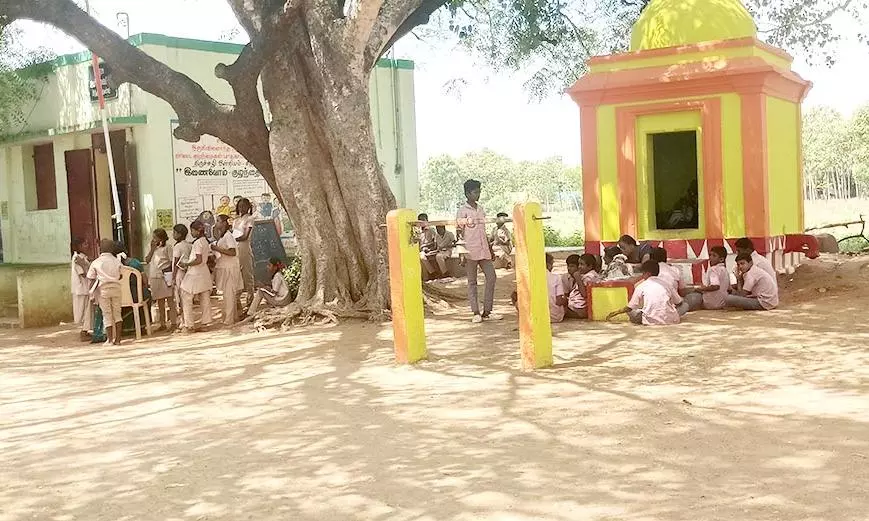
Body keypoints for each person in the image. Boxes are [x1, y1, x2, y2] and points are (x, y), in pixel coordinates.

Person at [456, 179, 500, 323]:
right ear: (467, 193)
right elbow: (459, 233)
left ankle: (487, 311)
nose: (478, 194)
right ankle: (475, 312)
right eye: (475, 192)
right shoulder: (462, 211)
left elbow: (483, 230)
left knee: (491, 277)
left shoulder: (480, 209)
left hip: (483, 249)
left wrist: (490, 248)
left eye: (479, 191)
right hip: (470, 250)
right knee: (472, 282)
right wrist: (461, 253)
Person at [606, 260, 683, 326]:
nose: (642, 276)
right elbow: (679, 302)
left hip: (651, 321)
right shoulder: (666, 284)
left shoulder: (641, 286)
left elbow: (630, 307)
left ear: (648, 273)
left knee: (632, 313)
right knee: (684, 305)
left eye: (643, 273)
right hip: (672, 319)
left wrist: (616, 312)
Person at [178, 220, 213, 332]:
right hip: (203, 272)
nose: (191, 233)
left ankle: (189, 324)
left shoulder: (198, 243)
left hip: (195, 272)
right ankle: (206, 323)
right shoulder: (205, 241)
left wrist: (186, 264)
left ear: (197, 231)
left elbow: (198, 260)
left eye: (192, 230)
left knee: (186, 295)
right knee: (205, 297)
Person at [87, 239, 123, 345]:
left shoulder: (96, 262)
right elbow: (121, 275)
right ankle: (118, 340)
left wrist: (91, 292)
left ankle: (110, 339)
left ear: (100, 249)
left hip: (103, 290)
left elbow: (91, 278)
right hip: (116, 289)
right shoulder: (117, 261)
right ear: (112, 249)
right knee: (117, 313)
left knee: (107, 314)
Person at [211, 215, 243, 325]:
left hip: (230, 268)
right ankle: (232, 317)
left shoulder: (228, 236)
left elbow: (232, 252)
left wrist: (217, 249)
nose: (216, 224)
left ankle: (229, 319)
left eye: (218, 221)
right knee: (227, 294)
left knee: (229, 294)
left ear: (224, 223)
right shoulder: (222, 236)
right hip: (224, 267)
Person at [146, 228, 176, 331]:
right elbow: (147, 260)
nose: (154, 240)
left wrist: (171, 275)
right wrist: (152, 249)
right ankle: (162, 323)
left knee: (170, 300)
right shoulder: (152, 248)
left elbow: (171, 261)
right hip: (154, 276)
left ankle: (173, 322)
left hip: (165, 275)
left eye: (156, 238)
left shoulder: (168, 247)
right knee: (160, 301)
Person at [685, 246, 729, 311]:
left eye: (714, 256)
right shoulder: (725, 270)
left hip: (711, 304)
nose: (710, 257)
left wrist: (701, 289)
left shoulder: (713, 269)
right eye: (710, 255)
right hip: (722, 303)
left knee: (692, 295)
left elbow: (715, 286)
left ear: (721, 259)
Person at [650, 247, 689, 315]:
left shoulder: (648, 273)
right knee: (686, 305)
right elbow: (682, 292)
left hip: (652, 310)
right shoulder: (674, 270)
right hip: (670, 310)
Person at [233, 197, 256, 306]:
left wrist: (233, 239)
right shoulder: (236, 221)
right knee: (237, 275)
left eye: (244, 206)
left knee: (247, 274)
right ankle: (237, 301)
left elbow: (245, 236)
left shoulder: (249, 219)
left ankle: (250, 300)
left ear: (248, 207)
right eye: (240, 206)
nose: (241, 208)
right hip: (235, 249)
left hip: (244, 248)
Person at [70, 237, 92, 341]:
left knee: (86, 310)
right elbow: (84, 274)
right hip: (81, 289)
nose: (87, 246)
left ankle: (85, 330)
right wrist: (85, 265)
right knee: (83, 311)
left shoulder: (83, 258)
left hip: (84, 289)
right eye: (85, 244)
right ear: (79, 247)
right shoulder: (77, 259)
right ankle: (83, 332)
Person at [565, 253, 600, 319]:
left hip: (579, 307)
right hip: (577, 305)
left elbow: (584, 294)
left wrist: (578, 279)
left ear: (590, 266)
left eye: (582, 264)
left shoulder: (590, 277)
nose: (579, 267)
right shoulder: (587, 275)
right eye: (579, 264)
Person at [172, 224, 192, 329]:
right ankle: (185, 320)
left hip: (179, 273)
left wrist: (173, 277)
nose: (173, 234)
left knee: (180, 298)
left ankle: (184, 321)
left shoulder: (178, 246)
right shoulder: (189, 245)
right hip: (187, 272)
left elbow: (176, 263)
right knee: (186, 296)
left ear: (179, 234)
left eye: (174, 233)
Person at [545, 253, 566, 323]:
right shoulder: (556, 278)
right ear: (548, 265)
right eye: (552, 264)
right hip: (554, 316)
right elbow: (559, 301)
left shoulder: (530, 278)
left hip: (534, 316)